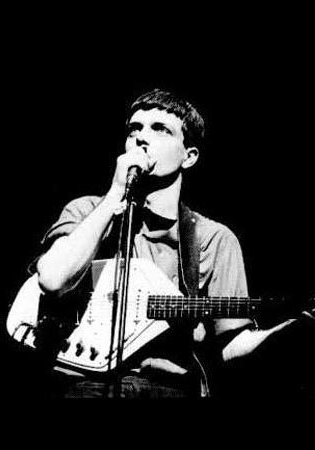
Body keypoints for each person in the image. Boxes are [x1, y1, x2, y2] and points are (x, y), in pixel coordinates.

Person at [15, 88, 296, 398]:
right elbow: (53, 279)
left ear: (189, 156)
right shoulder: (86, 210)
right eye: (134, 129)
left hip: (168, 388)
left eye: (160, 129)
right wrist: (115, 194)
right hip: (79, 383)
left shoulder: (213, 239)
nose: (141, 138)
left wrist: (287, 329)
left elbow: (229, 345)